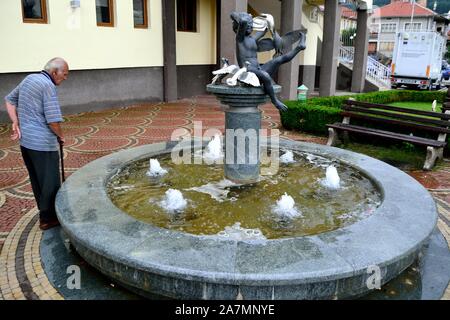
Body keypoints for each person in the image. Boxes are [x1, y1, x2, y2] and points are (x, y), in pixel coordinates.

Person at [4, 57, 69, 230]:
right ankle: (48, 219)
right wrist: (61, 136)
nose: (66, 77)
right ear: (54, 72)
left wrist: (15, 121)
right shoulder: (48, 86)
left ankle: (45, 213)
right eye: (64, 73)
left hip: (26, 143)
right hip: (42, 144)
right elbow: (53, 121)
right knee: (50, 181)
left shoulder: (30, 78)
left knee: (37, 180)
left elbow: (9, 100)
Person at [230, 11, 306, 112]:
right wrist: (246, 17)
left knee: (279, 59)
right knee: (265, 75)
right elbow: (240, 19)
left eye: (251, 25)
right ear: (238, 28)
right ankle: (275, 101)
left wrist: (270, 22)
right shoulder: (240, 39)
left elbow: (265, 29)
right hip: (247, 71)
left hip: (257, 70)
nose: (249, 27)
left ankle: (299, 47)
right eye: (247, 26)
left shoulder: (253, 39)